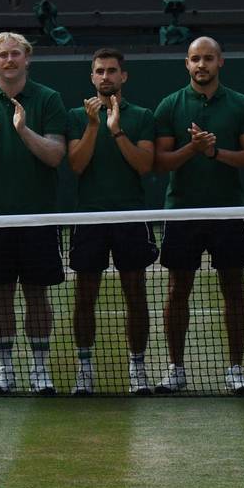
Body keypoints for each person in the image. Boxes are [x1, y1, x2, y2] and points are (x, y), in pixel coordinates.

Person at [152, 38, 244, 395]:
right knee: (177, 290)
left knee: (234, 290)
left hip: (228, 211)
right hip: (182, 212)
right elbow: (160, 163)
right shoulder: (170, 105)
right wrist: (193, 148)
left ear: (220, 62)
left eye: (208, 58)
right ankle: (176, 368)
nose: (202, 65)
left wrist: (214, 153)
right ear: (187, 64)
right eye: (196, 59)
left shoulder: (242, 104)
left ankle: (236, 368)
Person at [0, 33, 66, 395]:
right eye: (2, 55)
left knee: (38, 294)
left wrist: (22, 129)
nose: (9, 60)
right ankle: (5, 371)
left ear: (27, 59)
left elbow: (55, 155)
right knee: (0, 296)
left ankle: (40, 370)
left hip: (38, 218)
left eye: (15, 54)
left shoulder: (48, 98)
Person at [66, 48, 157, 395]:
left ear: (123, 76)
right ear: (92, 77)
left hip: (130, 216)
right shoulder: (77, 117)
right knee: (84, 296)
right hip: (90, 217)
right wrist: (94, 126)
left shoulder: (143, 116)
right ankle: (85, 369)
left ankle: (138, 368)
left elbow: (144, 165)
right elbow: (76, 165)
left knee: (136, 294)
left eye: (112, 71)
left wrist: (116, 131)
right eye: (100, 71)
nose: (106, 76)